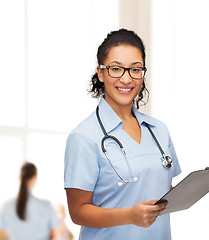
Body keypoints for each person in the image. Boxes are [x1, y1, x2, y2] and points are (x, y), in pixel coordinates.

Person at [64, 28, 181, 240]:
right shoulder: (83, 137)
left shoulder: (159, 130)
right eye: (116, 69)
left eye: (135, 70)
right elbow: (78, 211)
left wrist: (196, 187)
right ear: (100, 73)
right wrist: (129, 216)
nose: (126, 79)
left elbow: (162, 188)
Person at [0, 162, 59, 240]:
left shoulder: (6, 206)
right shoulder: (46, 205)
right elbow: (54, 235)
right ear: (35, 177)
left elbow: (2, 236)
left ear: (20, 177)